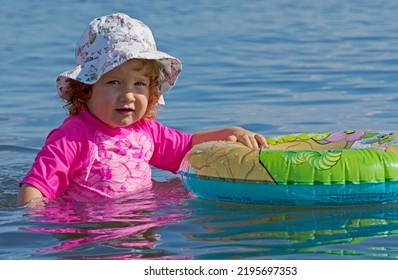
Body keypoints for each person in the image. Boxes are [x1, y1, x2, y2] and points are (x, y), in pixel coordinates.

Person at [17, 13, 268, 207]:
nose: (128, 95)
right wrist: (37, 222)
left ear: (151, 91)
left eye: (139, 84)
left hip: (141, 222)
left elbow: (188, 148)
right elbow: (37, 187)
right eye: (113, 82)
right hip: (91, 231)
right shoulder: (72, 137)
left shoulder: (145, 131)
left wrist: (231, 132)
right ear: (86, 88)